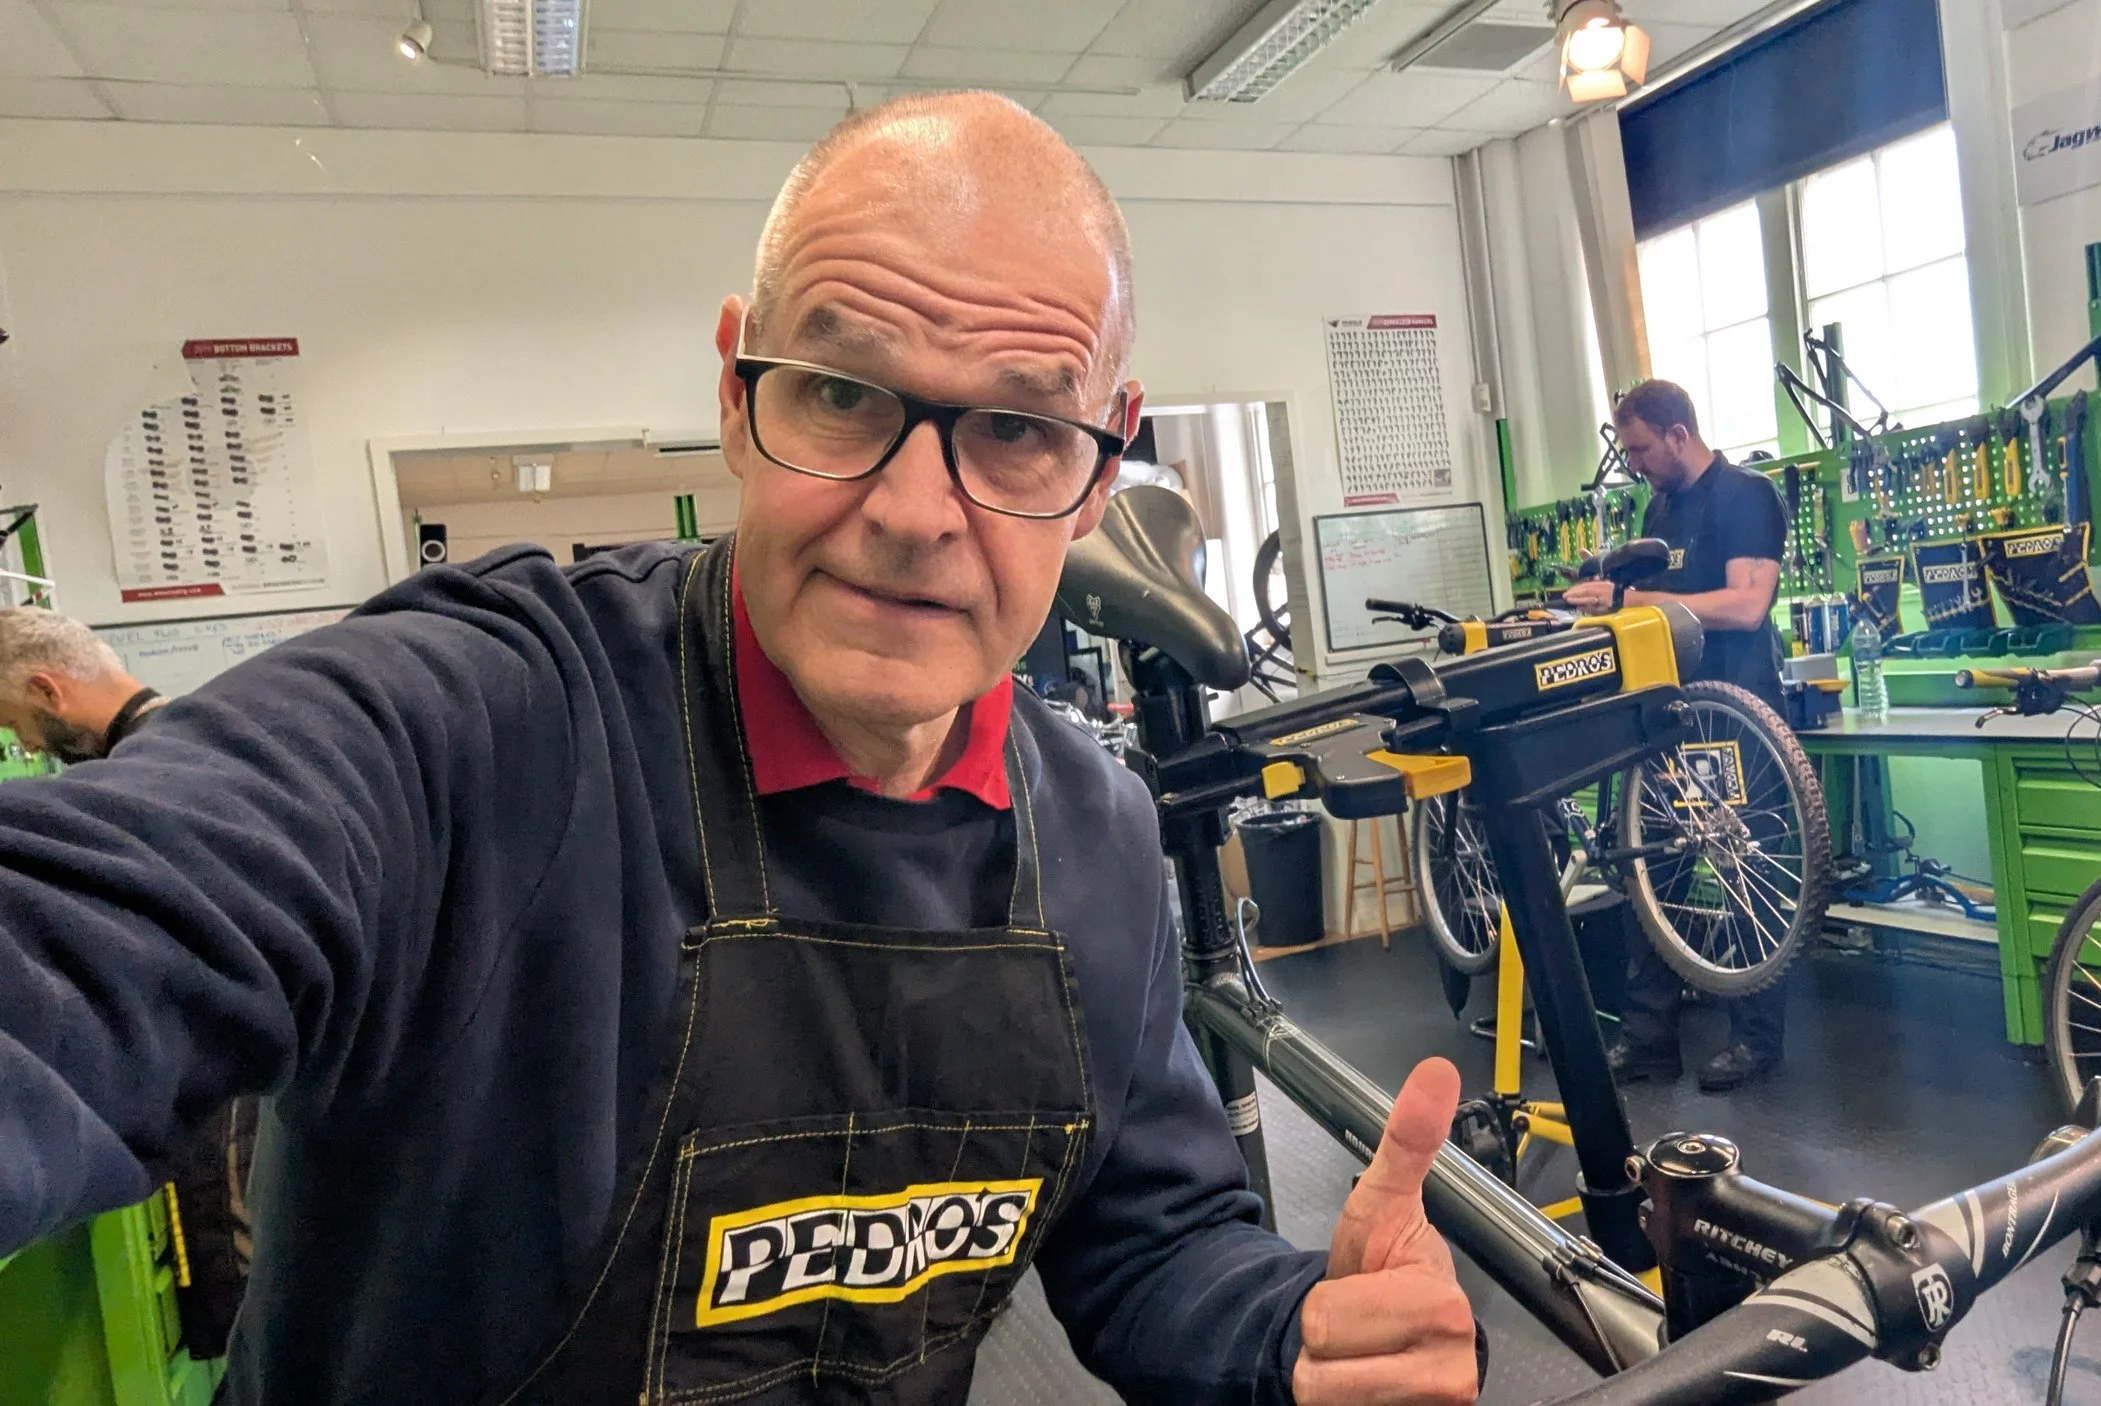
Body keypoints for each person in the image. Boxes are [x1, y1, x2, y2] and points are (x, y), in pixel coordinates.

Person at [0, 94, 1478, 1406]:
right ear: (735, 391)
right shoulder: (488, 721)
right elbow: (83, 945)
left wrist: (1292, 1337)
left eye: (1019, 430)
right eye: (842, 393)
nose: (914, 509)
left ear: (1100, 463)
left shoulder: (1091, 833)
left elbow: (1154, 1241)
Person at [0, 608, 259, 1358]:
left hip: (231, 1116)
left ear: (50, 691)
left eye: (18, 722)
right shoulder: (206, 748)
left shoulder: (146, 788)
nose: (22, 746)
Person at [1563, 380, 1792, 1093]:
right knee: (1648, 870)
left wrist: (1633, 601)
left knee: (1745, 875)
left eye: (1639, 449)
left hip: (1738, 718)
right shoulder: (1659, 505)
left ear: (1678, 435)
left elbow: (1747, 606)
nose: (1633, 465)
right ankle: (1649, 1040)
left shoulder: (1746, 497)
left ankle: (1755, 1042)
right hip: (1669, 719)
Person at [0, 607, 167, 762]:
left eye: (14, 724)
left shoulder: (142, 772)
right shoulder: (182, 730)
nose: (29, 746)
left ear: (46, 692)